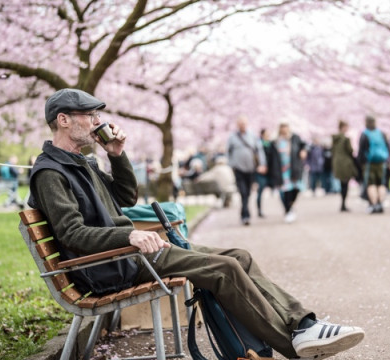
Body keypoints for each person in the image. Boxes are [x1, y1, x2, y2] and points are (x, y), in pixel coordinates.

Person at [28, 88, 365, 360]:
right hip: (112, 265)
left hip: (129, 255)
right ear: (63, 120)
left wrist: (116, 155)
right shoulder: (51, 173)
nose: (97, 121)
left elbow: (125, 197)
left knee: (239, 256)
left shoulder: (80, 163)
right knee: (225, 269)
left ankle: (303, 324)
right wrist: (129, 235)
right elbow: (73, 233)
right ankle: (295, 348)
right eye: (90, 116)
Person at [227, 116, 266, 226]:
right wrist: (231, 165)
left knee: (247, 193)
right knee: (243, 192)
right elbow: (228, 152)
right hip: (238, 169)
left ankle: (244, 212)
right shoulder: (232, 137)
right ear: (237, 125)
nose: (242, 126)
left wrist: (262, 164)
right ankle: (245, 215)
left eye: (244, 123)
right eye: (240, 124)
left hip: (251, 169)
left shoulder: (253, 136)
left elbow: (259, 150)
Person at [274, 123, 307, 223]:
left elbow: (304, 145)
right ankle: (288, 210)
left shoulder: (295, 138)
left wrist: (303, 151)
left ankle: (290, 207)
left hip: (294, 168)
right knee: (285, 190)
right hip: (282, 169)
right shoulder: (276, 141)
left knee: (296, 189)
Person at [358, 116, 390, 214]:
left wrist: (360, 163)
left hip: (369, 163)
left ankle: (373, 204)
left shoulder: (365, 134)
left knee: (371, 184)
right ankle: (380, 203)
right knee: (381, 184)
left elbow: (361, 151)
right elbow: (388, 147)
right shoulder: (381, 134)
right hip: (381, 162)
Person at [332, 120, 358, 212]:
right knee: (345, 185)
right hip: (346, 164)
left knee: (342, 184)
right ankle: (343, 204)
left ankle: (342, 204)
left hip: (337, 163)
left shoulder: (334, 139)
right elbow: (350, 151)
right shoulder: (346, 139)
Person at [255, 128, 282, 218]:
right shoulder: (257, 145)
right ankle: (259, 210)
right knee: (260, 191)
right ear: (262, 135)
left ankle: (286, 208)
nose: (268, 136)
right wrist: (258, 167)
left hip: (271, 172)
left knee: (279, 189)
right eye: (266, 134)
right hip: (261, 172)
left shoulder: (272, 145)